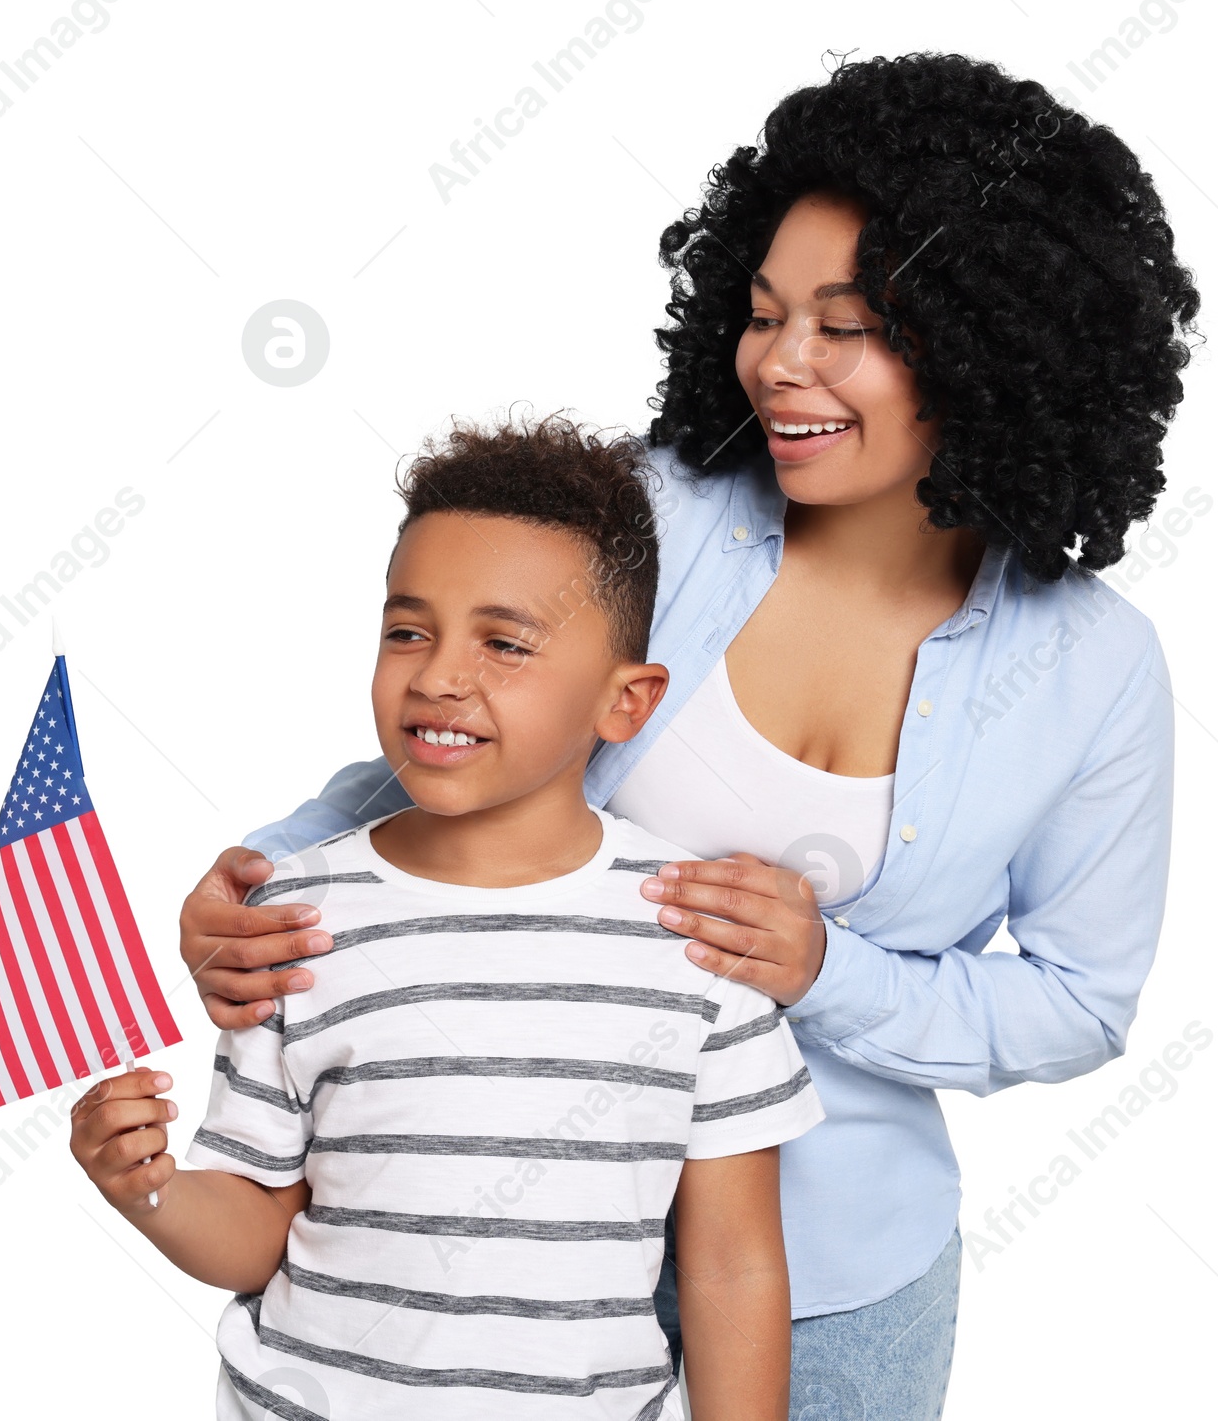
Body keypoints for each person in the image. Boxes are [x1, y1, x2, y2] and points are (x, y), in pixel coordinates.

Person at [176, 51, 1200, 1419]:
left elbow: (1079, 1002)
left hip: (839, 1281)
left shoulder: (1095, 671)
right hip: (500, 1249)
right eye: (766, 313)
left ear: (991, 340)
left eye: (847, 326)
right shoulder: (658, 517)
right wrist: (265, 869)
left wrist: (827, 970)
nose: (781, 365)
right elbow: (467, 745)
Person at [72, 416, 823, 1420]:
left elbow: (730, 1268)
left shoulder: (695, 940)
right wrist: (148, 1187)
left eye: (504, 643)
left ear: (625, 702)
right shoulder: (296, 920)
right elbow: (254, 1232)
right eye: (407, 631)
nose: (437, 675)